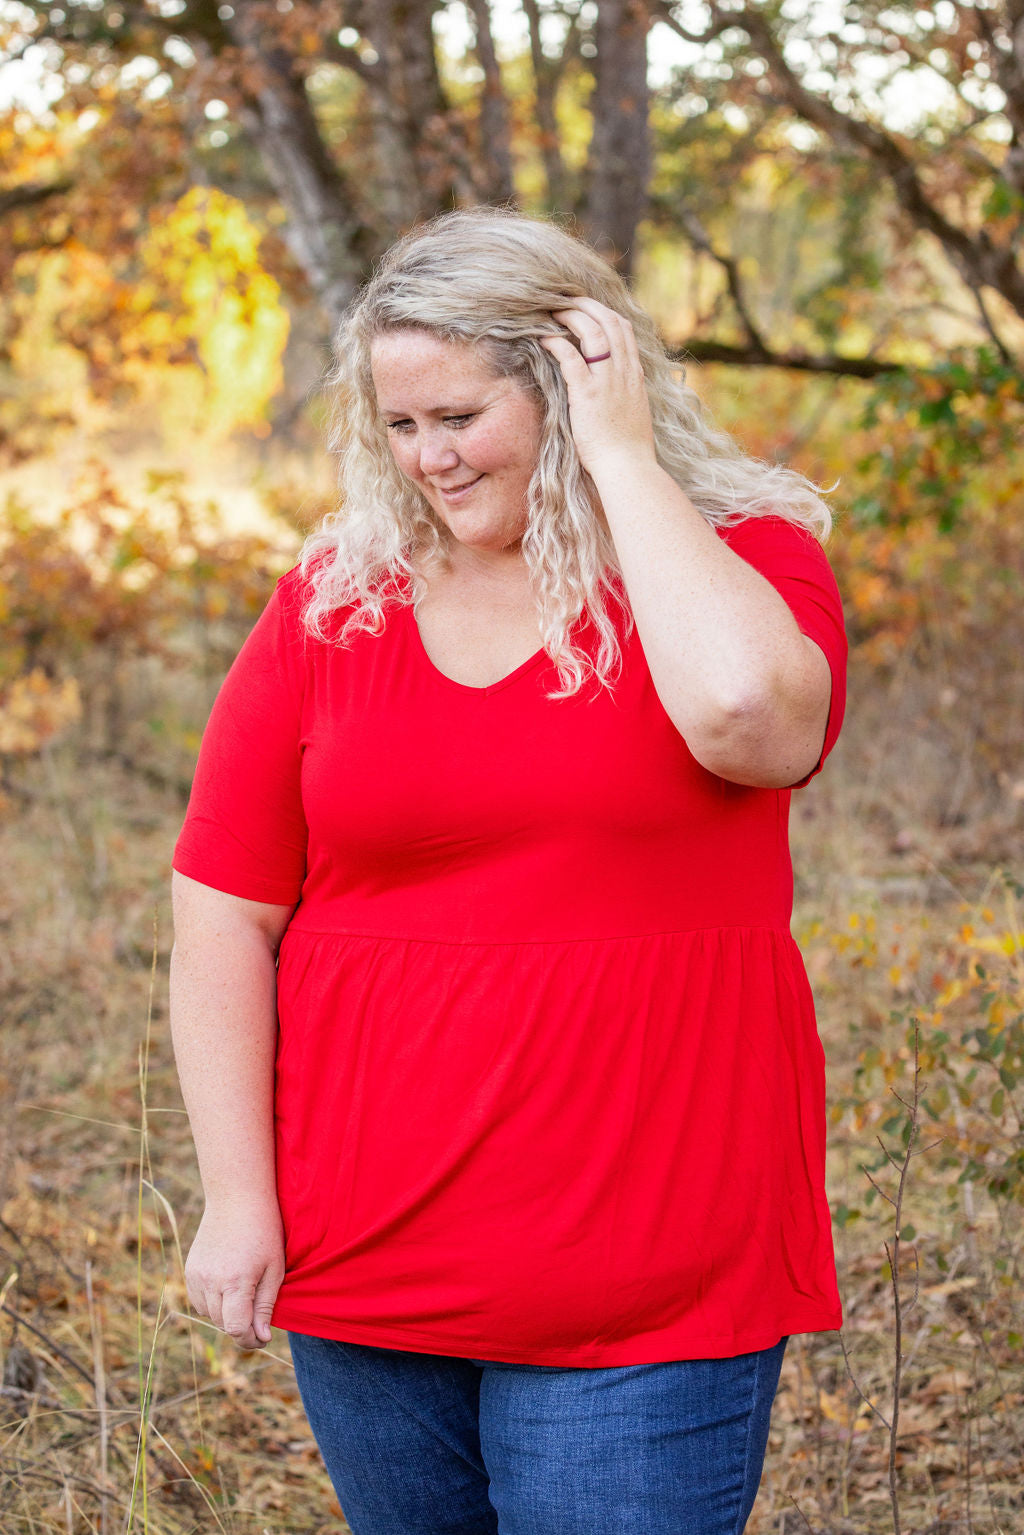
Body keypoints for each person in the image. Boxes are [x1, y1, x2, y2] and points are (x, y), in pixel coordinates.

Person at [170, 206, 847, 1535]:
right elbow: (221, 910)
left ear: (570, 376)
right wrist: (239, 1199)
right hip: (369, 1261)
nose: (427, 458)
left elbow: (754, 728)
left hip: (650, 1274)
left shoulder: (745, 558)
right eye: (400, 424)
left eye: (460, 417)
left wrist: (622, 459)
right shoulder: (334, 596)